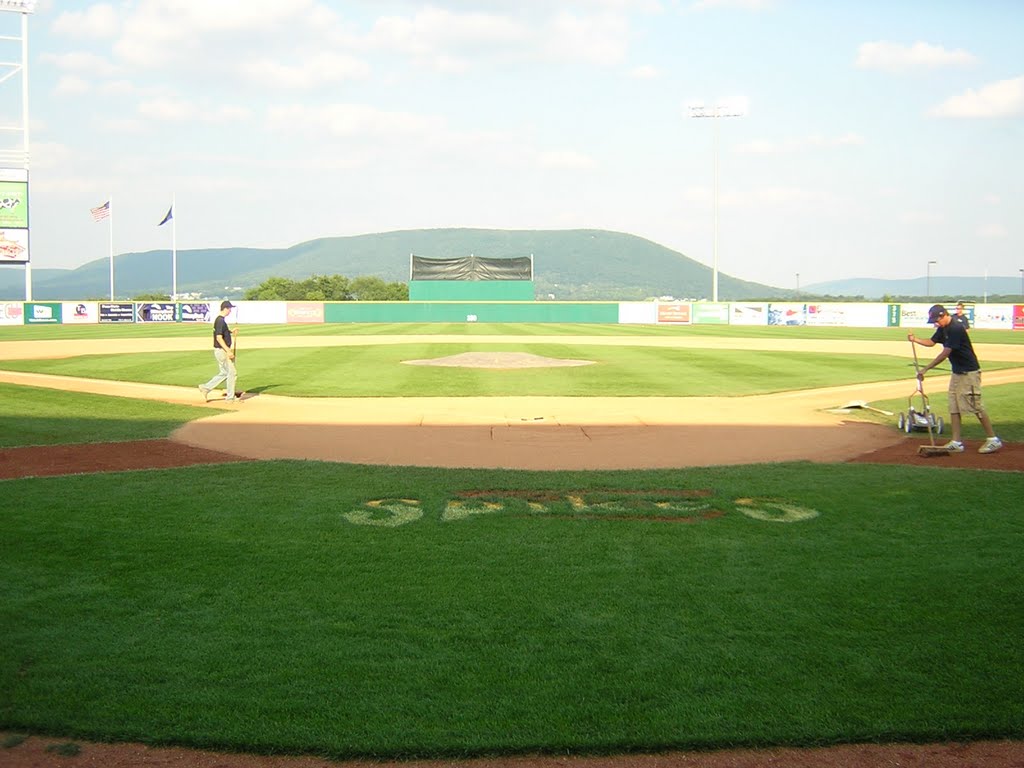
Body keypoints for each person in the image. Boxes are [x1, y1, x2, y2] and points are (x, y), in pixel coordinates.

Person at [908, 304, 1001, 454]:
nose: (935, 324)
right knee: (954, 406)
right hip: (957, 372)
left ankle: (993, 439)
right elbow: (932, 342)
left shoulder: (956, 328)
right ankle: (956, 442)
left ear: (944, 314)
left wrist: (926, 368)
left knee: (975, 406)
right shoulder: (943, 328)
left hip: (969, 372)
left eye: (937, 320)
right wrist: (915, 340)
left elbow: (945, 353)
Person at [199, 300, 240, 403]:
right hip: (222, 350)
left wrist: (230, 331)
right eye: (229, 309)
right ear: (225, 308)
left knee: (224, 372)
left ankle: (205, 388)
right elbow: (219, 337)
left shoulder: (220, 320)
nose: (230, 311)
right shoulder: (220, 320)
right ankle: (230, 397)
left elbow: (222, 332)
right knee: (232, 373)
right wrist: (228, 351)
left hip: (220, 350)